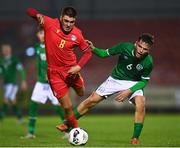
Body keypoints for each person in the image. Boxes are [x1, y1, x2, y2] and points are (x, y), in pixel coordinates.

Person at [58, 33, 154, 145]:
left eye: (145, 49)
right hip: (116, 79)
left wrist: (129, 91)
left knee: (141, 103)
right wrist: (93, 49)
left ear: (149, 50)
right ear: (136, 43)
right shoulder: (124, 47)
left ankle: (135, 138)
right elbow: (104, 54)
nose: (141, 50)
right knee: (92, 100)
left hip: (133, 83)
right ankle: (68, 123)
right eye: (140, 47)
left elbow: (144, 81)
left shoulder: (148, 62)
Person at [26, 6, 92, 130]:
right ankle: (75, 129)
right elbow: (29, 10)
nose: (68, 24)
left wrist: (78, 67)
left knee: (81, 93)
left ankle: (70, 124)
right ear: (61, 18)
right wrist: (36, 15)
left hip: (71, 70)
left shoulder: (77, 34)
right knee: (67, 106)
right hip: (54, 73)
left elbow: (88, 52)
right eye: (66, 21)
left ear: (75, 21)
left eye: (71, 22)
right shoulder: (50, 23)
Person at [22, 27, 67, 139]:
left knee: (58, 107)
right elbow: (39, 63)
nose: (42, 35)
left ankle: (68, 131)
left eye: (44, 33)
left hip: (53, 83)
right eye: (40, 33)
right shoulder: (37, 47)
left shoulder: (53, 47)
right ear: (37, 35)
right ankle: (31, 133)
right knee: (33, 105)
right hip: (41, 83)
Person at [0, 43, 27, 122]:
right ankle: (20, 117)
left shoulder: (14, 59)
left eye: (7, 49)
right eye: (4, 49)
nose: (6, 50)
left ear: (10, 50)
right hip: (6, 83)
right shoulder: (1, 60)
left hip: (13, 84)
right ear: (2, 50)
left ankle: (1, 116)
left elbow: (21, 70)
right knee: (12, 100)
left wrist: (23, 80)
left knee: (6, 98)